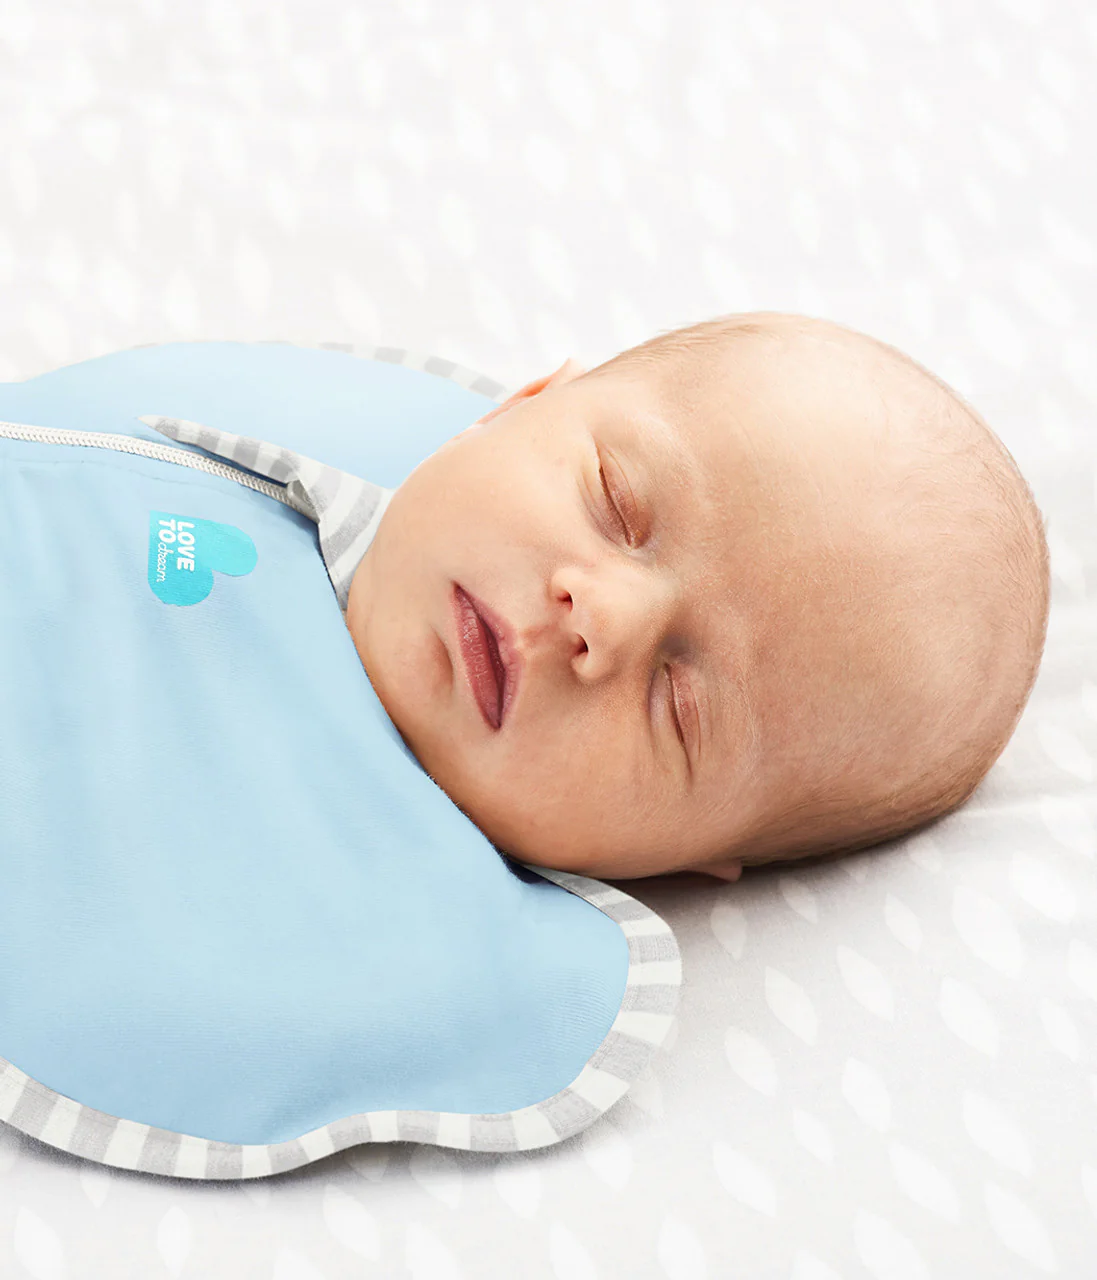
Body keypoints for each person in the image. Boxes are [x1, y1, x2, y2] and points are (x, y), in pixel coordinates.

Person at [343, 310, 1050, 883]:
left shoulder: (477, 974)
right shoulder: (324, 414)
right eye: (616, 503)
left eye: (678, 708)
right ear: (521, 404)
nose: (605, 617)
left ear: (678, 864)